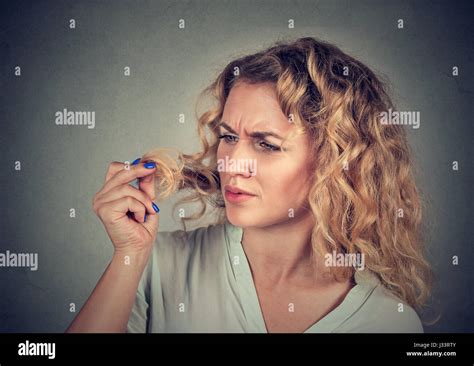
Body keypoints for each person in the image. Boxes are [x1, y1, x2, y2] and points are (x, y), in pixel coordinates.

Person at [66, 37, 432, 333]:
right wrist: (128, 255)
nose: (230, 163)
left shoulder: (388, 323)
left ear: (337, 162)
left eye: (266, 144)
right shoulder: (160, 264)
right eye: (227, 137)